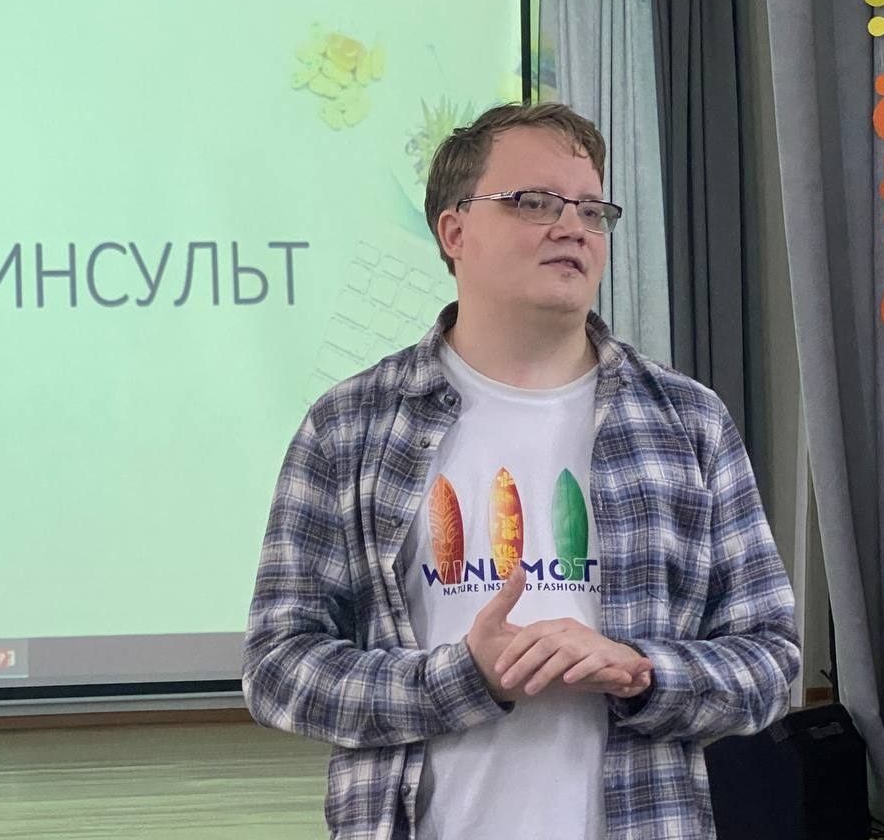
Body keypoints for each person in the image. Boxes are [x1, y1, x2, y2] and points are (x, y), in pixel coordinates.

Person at [242, 102, 800, 840]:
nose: (573, 227)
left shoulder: (686, 420)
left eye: (592, 210)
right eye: (535, 202)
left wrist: (642, 672)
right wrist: (460, 679)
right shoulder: (351, 426)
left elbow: (770, 659)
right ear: (454, 232)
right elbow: (279, 669)